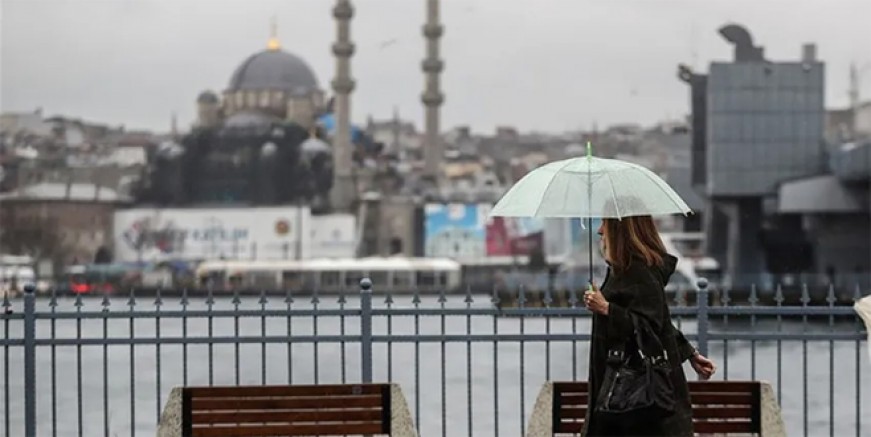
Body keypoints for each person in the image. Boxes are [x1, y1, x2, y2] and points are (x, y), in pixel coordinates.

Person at [582, 215, 717, 436]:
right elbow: (660, 320)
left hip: (633, 392)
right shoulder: (625, 270)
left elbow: (649, 327)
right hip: (627, 390)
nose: (599, 231)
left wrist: (607, 309)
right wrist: (690, 353)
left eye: (604, 223)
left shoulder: (638, 272)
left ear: (620, 228)